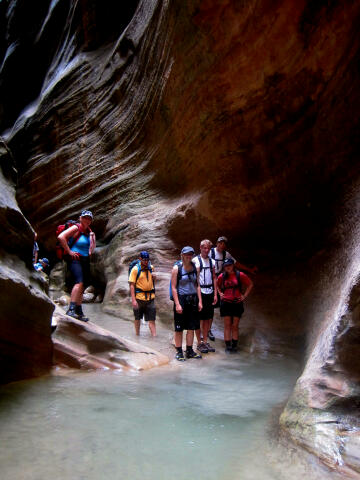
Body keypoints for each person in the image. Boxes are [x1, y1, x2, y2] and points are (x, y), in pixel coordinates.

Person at [208, 235, 257, 341]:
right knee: (210, 305)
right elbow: (200, 260)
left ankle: (210, 329)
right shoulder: (210, 252)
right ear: (216, 243)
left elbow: (236, 264)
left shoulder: (226, 254)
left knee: (214, 304)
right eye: (220, 243)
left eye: (224, 244)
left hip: (219, 279)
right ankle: (208, 329)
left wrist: (249, 270)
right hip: (209, 279)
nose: (222, 245)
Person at [57, 210, 96, 322]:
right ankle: (71, 309)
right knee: (79, 282)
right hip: (75, 259)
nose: (87, 220)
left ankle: (79, 311)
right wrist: (69, 252)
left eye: (89, 218)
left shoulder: (89, 232)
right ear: (80, 218)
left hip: (85, 260)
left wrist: (93, 238)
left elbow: (91, 250)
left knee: (82, 285)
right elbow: (61, 237)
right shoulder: (75, 228)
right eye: (85, 217)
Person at [171, 246, 203, 361]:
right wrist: (178, 304)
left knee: (191, 327)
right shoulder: (176, 268)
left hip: (193, 300)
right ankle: (179, 351)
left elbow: (197, 285)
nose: (188, 256)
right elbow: (173, 288)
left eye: (191, 254)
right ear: (182, 255)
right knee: (179, 328)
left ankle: (189, 350)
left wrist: (200, 301)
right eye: (186, 254)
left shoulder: (196, 267)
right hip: (181, 300)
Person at [217, 258, 253, 353]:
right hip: (226, 303)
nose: (227, 267)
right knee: (227, 325)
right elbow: (216, 284)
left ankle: (234, 346)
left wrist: (244, 295)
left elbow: (250, 284)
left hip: (237, 302)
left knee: (235, 326)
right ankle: (228, 346)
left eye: (229, 265)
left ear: (233, 265)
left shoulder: (239, 275)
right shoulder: (222, 276)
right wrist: (220, 293)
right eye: (226, 266)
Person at [193, 239, 217, 354]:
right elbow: (195, 280)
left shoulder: (212, 261)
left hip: (210, 291)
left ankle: (205, 341)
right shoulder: (196, 261)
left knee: (207, 318)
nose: (206, 250)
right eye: (204, 248)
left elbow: (214, 277)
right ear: (201, 247)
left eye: (208, 248)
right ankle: (199, 342)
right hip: (200, 291)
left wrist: (216, 294)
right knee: (199, 318)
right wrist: (199, 299)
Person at [129, 251, 157, 336]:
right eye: (144, 260)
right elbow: (132, 285)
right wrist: (133, 300)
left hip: (150, 298)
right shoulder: (135, 270)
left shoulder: (151, 268)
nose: (146, 261)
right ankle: (137, 335)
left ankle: (154, 337)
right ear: (140, 259)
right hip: (139, 299)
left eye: (147, 260)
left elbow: (151, 282)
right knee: (137, 318)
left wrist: (154, 278)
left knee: (152, 319)